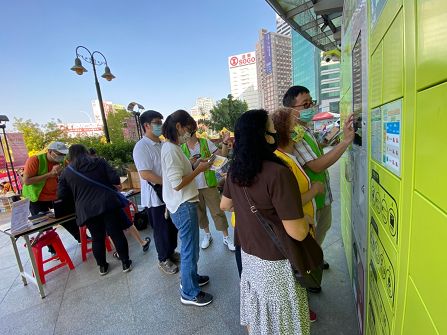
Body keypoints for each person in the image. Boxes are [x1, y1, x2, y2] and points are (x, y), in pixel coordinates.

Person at [220, 109, 311, 334]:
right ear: (262, 135)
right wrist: (307, 218)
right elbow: (298, 232)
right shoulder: (278, 173)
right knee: (281, 318)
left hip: (248, 254)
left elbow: (224, 205)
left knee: (257, 307)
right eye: (271, 129)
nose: (275, 133)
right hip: (275, 260)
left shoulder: (235, 170)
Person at [283, 85, 354, 276]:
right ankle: (309, 270)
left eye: (311, 102)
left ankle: (315, 258)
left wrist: (336, 135)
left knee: (323, 228)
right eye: (305, 105)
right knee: (312, 235)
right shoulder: (292, 134)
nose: (311, 107)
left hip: (321, 193)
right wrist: (346, 142)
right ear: (291, 110)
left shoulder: (305, 129)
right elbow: (316, 165)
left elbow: (320, 144)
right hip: (311, 199)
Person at [161, 110, 213, 307]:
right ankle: (189, 292)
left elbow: (178, 174)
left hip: (181, 203)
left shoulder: (172, 147)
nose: (190, 135)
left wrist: (194, 164)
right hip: (183, 205)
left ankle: (191, 278)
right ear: (179, 127)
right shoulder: (172, 150)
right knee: (190, 249)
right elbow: (177, 183)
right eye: (189, 130)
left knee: (190, 247)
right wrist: (198, 170)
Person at [58, 144, 132, 275]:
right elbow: (115, 179)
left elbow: (62, 195)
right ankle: (126, 263)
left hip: (87, 210)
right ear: (85, 152)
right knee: (116, 233)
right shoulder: (99, 162)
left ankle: (102, 267)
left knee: (97, 238)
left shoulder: (67, 172)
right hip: (107, 204)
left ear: (71, 156)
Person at [133, 110, 179, 275]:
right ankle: (163, 259)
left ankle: (171, 252)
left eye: (161, 122)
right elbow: (145, 174)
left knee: (173, 227)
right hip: (155, 197)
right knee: (161, 230)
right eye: (156, 122)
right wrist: (169, 182)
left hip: (169, 194)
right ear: (146, 126)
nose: (160, 125)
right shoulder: (141, 147)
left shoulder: (162, 143)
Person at [87, 148, 150, 255]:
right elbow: (117, 184)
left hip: (97, 206)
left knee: (110, 230)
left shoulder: (85, 171)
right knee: (127, 223)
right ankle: (142, 242)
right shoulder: (101, 165)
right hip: (112, 201)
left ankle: (120, 252)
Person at [181, 129, 235, 251]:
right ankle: (207, 235)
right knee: (200, 213)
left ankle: (226, 237)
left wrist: (225, 142)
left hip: (209, 184)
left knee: (217, 211)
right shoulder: (181, 148)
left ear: (192, 130)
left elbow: (222, 155)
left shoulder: (205, 142)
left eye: (186, 129)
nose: (183, 133)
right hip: (193, 186)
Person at [22, 142, 81, 252]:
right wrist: (49, 174)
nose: (61, 157)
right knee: (45, 226)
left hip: (54, 194)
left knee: (67, 217)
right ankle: (54, 250)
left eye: (63, 155)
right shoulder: (35, 160)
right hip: (36, 198)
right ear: (50, 152)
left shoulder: (61, 162)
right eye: (59, 154)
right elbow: (26, 181)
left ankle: (81, 238)